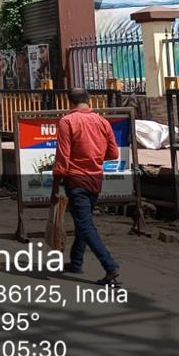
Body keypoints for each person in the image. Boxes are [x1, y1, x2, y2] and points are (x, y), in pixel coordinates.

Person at [50, 88, 121, 286]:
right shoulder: (102, 121)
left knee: (84, 224)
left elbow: (62, 157)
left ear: (69, 102)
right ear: (89, 100)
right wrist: (94, 157)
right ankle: (76, 262)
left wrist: (55, 188)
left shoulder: (67, 122)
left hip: (76, 179)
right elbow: (113, 153)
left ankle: (110, 266)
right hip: (95, 179)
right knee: (84, 221)